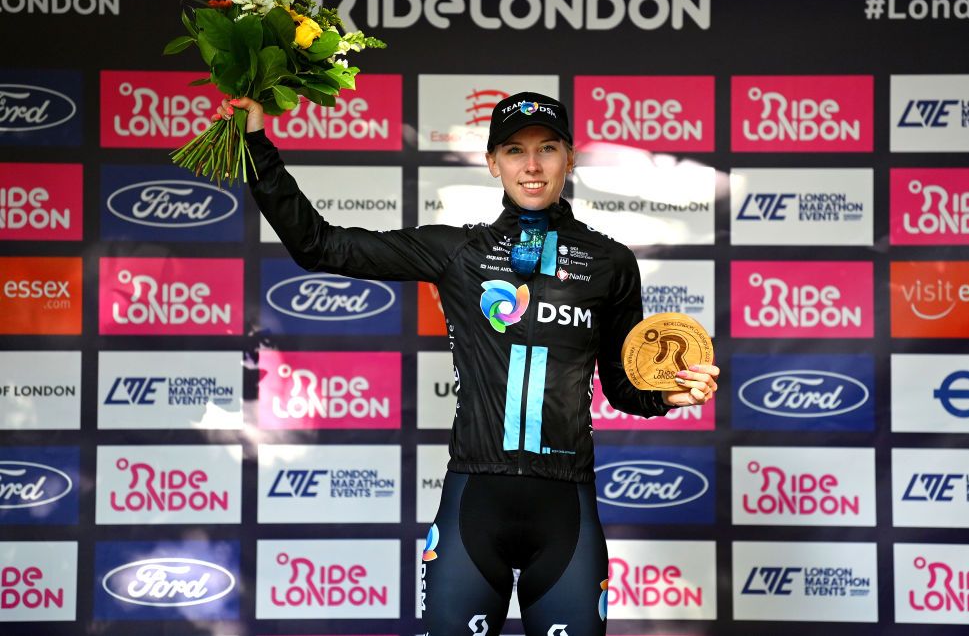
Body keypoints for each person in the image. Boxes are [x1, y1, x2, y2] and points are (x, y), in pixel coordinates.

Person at [215, 92, 719, 635]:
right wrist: (256, 144)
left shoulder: (611, 262)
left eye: (547, 148)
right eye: (514, 150)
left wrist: (670, 394)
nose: (531, 166)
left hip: (566, 508)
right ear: (492, 163)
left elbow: (623, 387)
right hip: (474, 503)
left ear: (569, 159)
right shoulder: (460, 251)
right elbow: (321, 247)